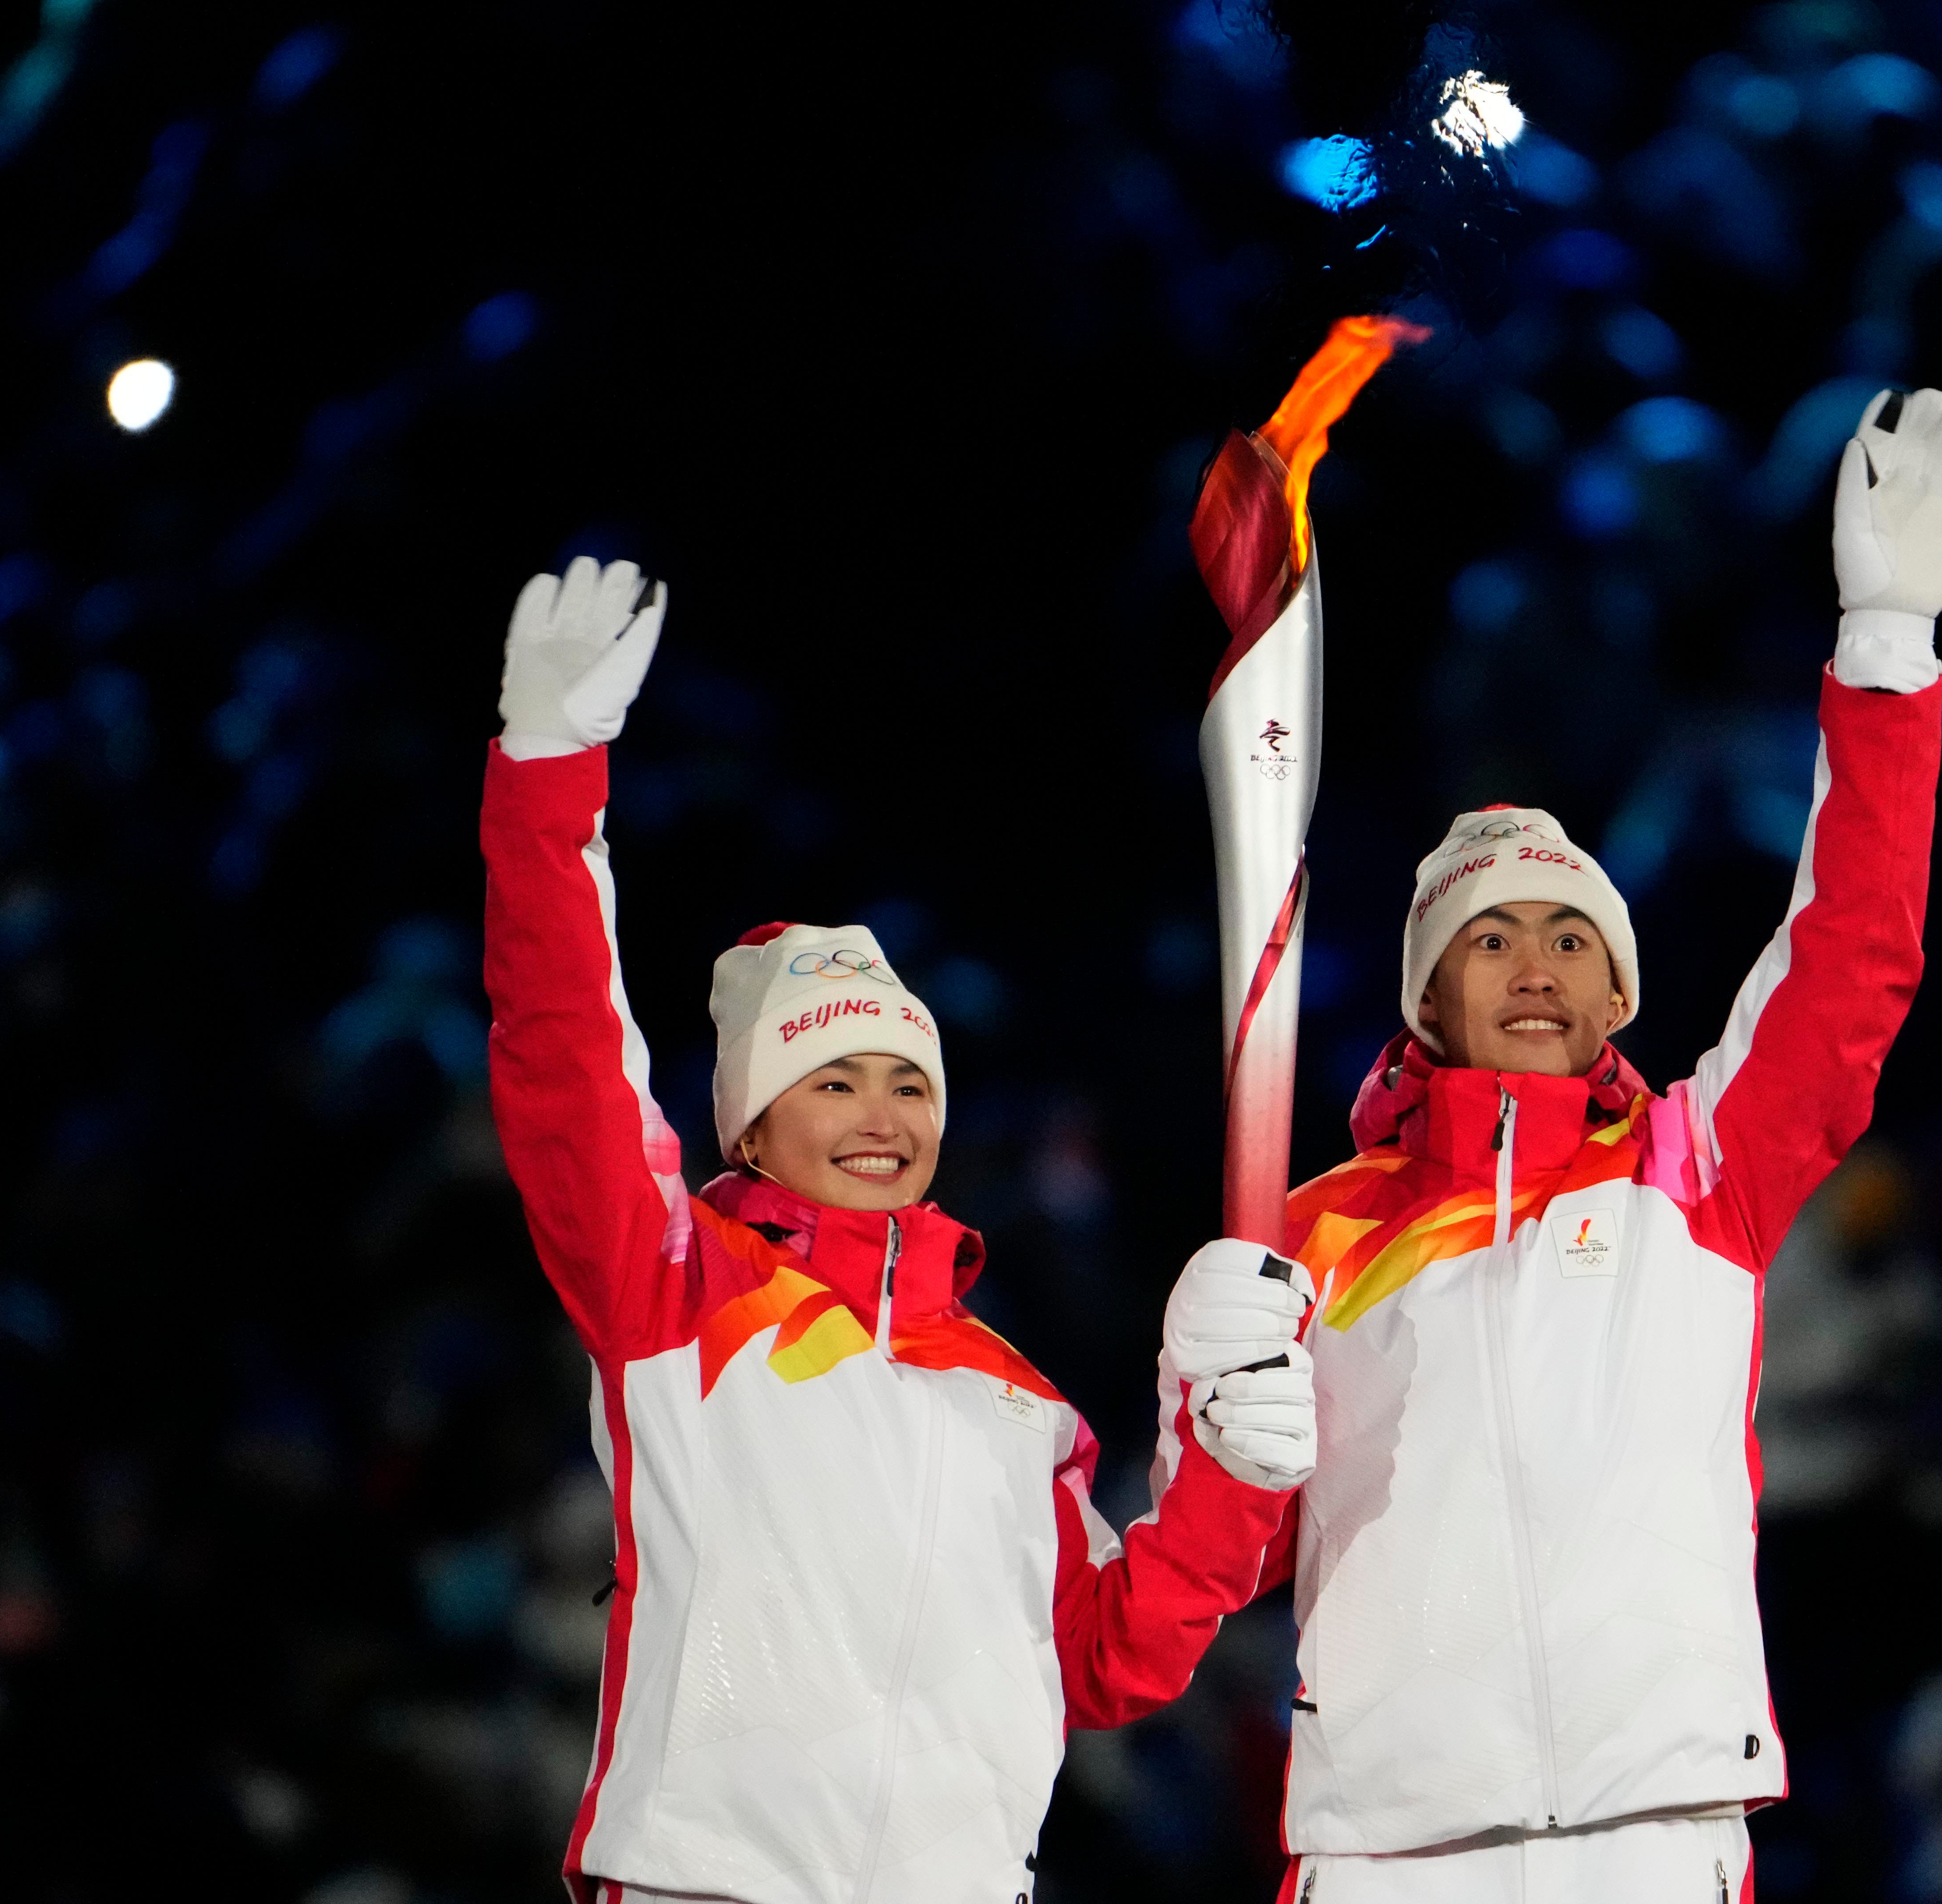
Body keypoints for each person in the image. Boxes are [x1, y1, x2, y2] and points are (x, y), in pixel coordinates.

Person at [479, 558, 1321, 1904]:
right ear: (748, 1131)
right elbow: (562, 1056)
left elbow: (1105, 1659)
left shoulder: (1016, 1406)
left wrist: (1236, 1476)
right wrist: (546, 781)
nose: (880, 1114)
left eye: (907, 1081)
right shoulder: (677, 1299)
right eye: (832, 1080)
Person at [1255, 389, 1942, 1900]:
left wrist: (1887, 650)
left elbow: (1854, 958)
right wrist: (1214, 1426)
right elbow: (1233, 1549)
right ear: (1428, 998)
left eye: (1569, 938)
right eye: (1490, 941)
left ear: (1616, 993)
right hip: (1395, 1848)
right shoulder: (1312, 1235)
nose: (1533, 965)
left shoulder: (1699, 1169)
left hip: (1650, 1831)